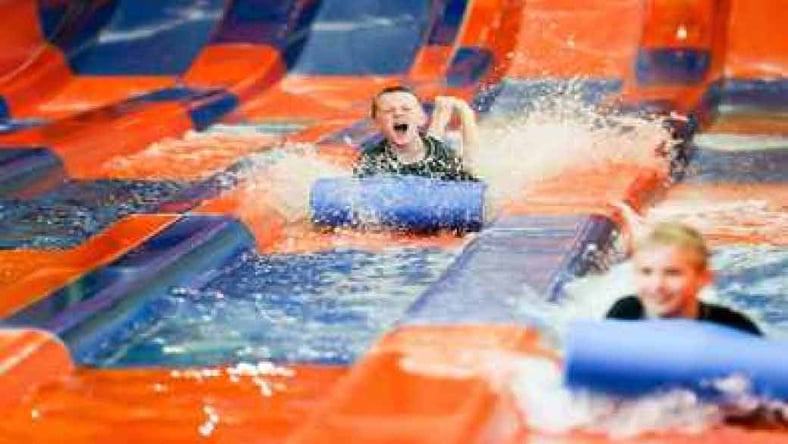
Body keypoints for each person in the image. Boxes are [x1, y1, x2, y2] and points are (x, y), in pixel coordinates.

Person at [605, 221, 762, 336]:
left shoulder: (733, 329)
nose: (657, 285)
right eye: (646, 272)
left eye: (672, 273)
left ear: (703, 278)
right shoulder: (624, 314)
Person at [353, 85, 479, 181]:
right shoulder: (373, 160)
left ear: (422, 119)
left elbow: (469, 170)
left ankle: (441, 115)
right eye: (388, 111)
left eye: (406, 109)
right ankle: (441, 115)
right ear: (377, 123)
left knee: (434, 150)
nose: (398, 113)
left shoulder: (443, 156)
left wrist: (466, 113)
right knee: (430, 146)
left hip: (431, 152)